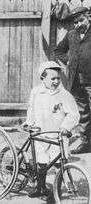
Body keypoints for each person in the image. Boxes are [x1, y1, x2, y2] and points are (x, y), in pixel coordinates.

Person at [23, 61, 80, 198]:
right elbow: (31, 109)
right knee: (41, 161)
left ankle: (56, 192)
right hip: (41, 132)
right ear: (43, 78)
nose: (56, 81)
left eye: (58, 78)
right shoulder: (36, 92)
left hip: (58, 134)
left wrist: (66, 127)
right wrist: (29, 123)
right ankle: (40, 188)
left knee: (59, 163)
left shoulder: (64, 95)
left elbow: (74, 114)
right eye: (52, 78)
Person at [54, 6, 91, 154]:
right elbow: (58, 51)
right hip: (76, 81)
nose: (78, 25)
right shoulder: (71, 35)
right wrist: (68, 60)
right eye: (75, 22)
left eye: (80, 21)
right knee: (83, 113)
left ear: (88, 16)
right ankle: (86, 142)